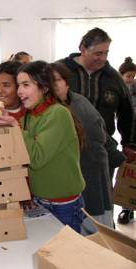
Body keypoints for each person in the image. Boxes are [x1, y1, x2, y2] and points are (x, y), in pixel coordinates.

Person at [0, 61, 85, 233]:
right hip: (41, 200)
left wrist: (14, 127)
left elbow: (36, 158)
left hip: (63, 203)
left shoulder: (57, 113)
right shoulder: (30, 115)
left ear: (45, 87)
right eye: (19, 85)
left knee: (66, 254)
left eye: (26, 85)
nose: (19, 91)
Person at [50, 63, 120, 234]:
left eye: (57, 80)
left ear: (67, 83)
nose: (52, 85)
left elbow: (100, 133)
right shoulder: (51, 109)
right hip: (72, 178)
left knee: (97, 225)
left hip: (92, 170)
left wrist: (116, 154)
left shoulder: (79, 103)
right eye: (47, 81)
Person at [59, 28, 136, 178]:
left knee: (101, 195)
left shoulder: (113, 78)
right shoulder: (59, 71)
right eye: (98, 53)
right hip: (64, 147)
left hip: (102, 148)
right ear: (82, 49)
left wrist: (129, 143)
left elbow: (126, 112)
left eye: (106, 53)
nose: (102, 58)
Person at [117, 57, 136, 224]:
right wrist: (126, 142)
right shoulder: (120, 91)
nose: (131, 79)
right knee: (129, 176)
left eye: (133, 76)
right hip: (131, 140)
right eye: (128, 76)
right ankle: (126, 209)